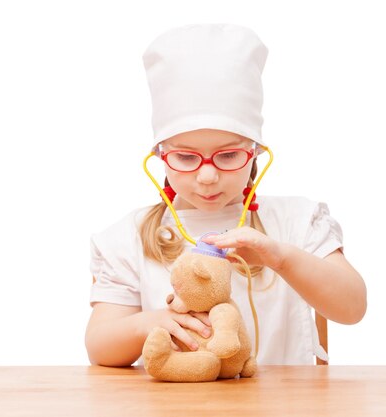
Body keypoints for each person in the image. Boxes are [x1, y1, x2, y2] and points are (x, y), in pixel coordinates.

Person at [85, 23, 366, 367]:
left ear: (256, 153)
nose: (207, 176)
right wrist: (150, 323)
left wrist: (281, 259)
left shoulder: (297, 221)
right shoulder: (128, 237)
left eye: (229, 155)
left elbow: (352, 308)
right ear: (160, 156)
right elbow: (98, 347)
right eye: (186, 157)